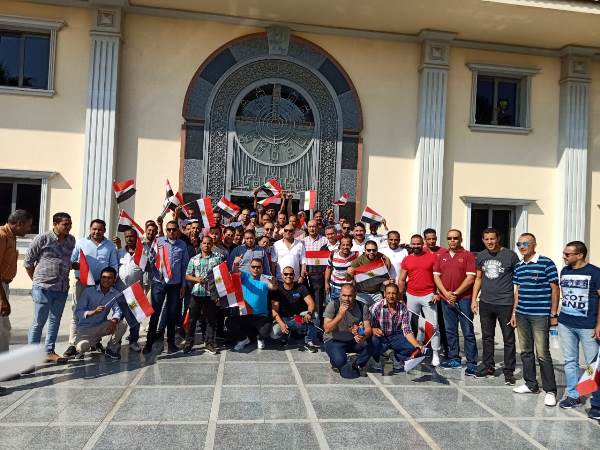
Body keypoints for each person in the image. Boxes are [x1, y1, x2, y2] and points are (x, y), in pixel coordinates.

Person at [511, 233, 559, 407]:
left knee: (542, 353)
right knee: (525, 351)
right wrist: (514, 312)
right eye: (519, 244)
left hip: (540, 315)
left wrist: (553, 314)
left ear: (534, 245)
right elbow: (518, 290)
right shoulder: (519, 266)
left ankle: (550, 390)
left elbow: (555, 289)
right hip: (522, 314)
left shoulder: (546, 263)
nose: (522, 247)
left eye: (525, 243)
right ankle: (531, 384)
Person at [556, 241, 600, 419]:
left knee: (593, 365)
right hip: (566, 323)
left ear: (580, 255)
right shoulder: (565, 271)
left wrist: (598, 324)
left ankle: (597, 403)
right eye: (564, 253)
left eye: (567, 254)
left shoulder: (595, 272)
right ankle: (573, 396)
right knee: (570, 361)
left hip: (588, 326)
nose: (564, 257)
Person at [24, 212, 75, 363]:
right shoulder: (42, 239)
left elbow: (66, 260)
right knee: (39, 322)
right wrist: (37, 281)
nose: (68, 227)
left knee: (55, 321)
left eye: (70, 224)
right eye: (65, 224)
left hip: (62, 288)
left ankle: (49, 352)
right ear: (55, 224)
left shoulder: (71, 240)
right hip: (43, 288)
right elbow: (28, 263)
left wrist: (73, 265)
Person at [472, 228, 520, 385]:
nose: (489, 242)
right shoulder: (481, 256)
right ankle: (488, 366)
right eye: (486, 239)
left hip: (505, 304)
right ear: (483, 240)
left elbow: (519, 282)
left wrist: (515, 307)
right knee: (487, 337)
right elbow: (478, 278)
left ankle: (509, 371)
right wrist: (474, 299)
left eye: (492, 239)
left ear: (498, 238)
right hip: (486, 303)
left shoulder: (511, 256)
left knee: (508, 339)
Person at [65, 219, 119, 357]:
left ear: (104, 230)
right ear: (90, 229)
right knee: (77, 312)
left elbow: (114, 265)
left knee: (100, 313)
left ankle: (95, 341)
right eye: (94, 229)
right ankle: (73, 343)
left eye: (100, 229)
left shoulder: (110, 246)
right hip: (82, 283)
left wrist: (111, 281)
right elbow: (71, 261)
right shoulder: (80, 243)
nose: (97, 232)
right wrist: (76, 265)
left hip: (101, 284)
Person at [433, 229, 478, 374]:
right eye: (450, 238)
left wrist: (456, 293)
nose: (452, 240)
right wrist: (446, 293)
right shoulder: (442, 256)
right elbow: (436, 276)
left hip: (464, 299)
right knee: (450, 331)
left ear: (461, 239)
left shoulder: (468, 255)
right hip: (446, 300)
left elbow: (470, 278)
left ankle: (472, 363)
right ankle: (454, 359)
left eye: (455, 238)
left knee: (468, 332)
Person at [143, 220, 189, 354]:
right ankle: (149, 343)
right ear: (166, 230)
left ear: (178, 230)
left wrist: (183, 285)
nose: (171, 232)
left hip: (175, 284)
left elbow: (184, 266)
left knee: (172, 314)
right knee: (155, 314)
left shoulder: (182, 245)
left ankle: (171, 343)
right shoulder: (159, 242)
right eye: (169, 229)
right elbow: (150, 260)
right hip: (159, 282)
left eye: (174, 229)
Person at [398, 234, 441, 366]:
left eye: (418, 244)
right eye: (414, 244)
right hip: (411, 295)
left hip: (428, 295)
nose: (416, 246)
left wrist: (437, 293)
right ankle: (412, 350)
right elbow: (401, 279)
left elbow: (438, 277)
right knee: (408, 325)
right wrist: (401, 297)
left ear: (423, 244)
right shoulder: (407, 259)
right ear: (411, 244)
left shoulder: (432, 257)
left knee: (433, 325)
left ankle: (435, 352)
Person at [73, 267, 127, 360]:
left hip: (101, 326)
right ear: (100, 278)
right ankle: (82, 349)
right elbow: (78, 312)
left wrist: (114, 321)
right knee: (83, 346)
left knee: (122, 324)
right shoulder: (88, 291)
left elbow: (118, 311)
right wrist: (93, 312)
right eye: (104, 277)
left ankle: (110, 349)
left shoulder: (115, 293)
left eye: (110, 278)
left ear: (114, 280)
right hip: (86, 329)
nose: (106, 280)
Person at [0, 211, 33, 356]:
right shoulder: (2, 236)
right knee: (2, 329)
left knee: (4, 329)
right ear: (19, 223)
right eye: (28, 225)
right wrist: (2, 299)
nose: (29, 229)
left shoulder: (11, 236)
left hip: (4, 286)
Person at [184, 236, 223, 354]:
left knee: (211, 320)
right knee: (192, 319)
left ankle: (209, 343)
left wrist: (219, 294)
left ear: (212, 245)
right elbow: (187, 275)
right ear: (201, 244)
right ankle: (189, 342)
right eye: (204, 243)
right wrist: (196, 279)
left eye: (209, 243)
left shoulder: (217, 259)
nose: (206, 245)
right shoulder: (194, 259)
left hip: (211, 294)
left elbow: (221, 276)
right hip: (197, 293)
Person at [370, 283, 422, 373]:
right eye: (388, 293)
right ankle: (376, 358)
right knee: (373, 342)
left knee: (411, 348)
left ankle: (396, 356)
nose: (391, 296)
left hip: (395, 335)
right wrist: (372, 329)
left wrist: (416, 345)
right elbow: (367, 325)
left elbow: (406, 329)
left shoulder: (403, 308)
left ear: (397, 294)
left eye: (394, 293)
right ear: (384, 294)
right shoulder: (376, 307)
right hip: (380, 336)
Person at [228, 257, 278, 351]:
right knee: (229, 322)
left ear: (262, 268)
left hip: (260, 315)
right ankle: (243, 340)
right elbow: (235, 272)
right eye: (253, 267)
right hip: (245, 313)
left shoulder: (265, 278)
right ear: (249, 267)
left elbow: (272, 287)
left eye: (258, 267)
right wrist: (235, 264)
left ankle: (260, 338)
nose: (256, 269)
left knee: (265, 331)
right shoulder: (244, 275)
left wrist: (273, 284)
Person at [323, 284, 372, 377]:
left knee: (374, 341)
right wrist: (340, 315)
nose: (346, 299)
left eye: (350, 296)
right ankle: (339, 359)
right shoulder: (333, 305)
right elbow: (327, 329)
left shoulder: (362, 306)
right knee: (339, 362)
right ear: (340, 294)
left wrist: (363, 335)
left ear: (355, 295)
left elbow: (368, 329)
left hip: (353, 340)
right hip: (334, 340)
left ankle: (357, 362)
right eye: (344, 295)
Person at [271, 266, 319, 352]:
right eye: (286, 274)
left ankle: (309, 341)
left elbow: (311, 303)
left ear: (294, 275)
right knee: (274, 333)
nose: (288, 276)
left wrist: (309, 313)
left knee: (314, 315)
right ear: (282, 276)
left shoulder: (301, 287)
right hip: (284, 319)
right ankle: (287, 334)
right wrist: (281, 323)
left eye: (291, 274)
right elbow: (274, 311)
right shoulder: (277, 290)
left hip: (298, 317)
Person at [116, 227, 147, 353]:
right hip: (119, 292)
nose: (129, 238)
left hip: (134, 292)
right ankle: (116, 342)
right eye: (127, 236)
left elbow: (146, 270)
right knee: (119, 318)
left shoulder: (142, 253)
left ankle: (133, 341)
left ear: (136, 237)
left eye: (131, 236)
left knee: (135, 318)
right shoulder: (119, 252)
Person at [347, 240, 391, 307]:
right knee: (363, 312)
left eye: (374, 250)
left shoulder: (381, 258)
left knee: (377, 313)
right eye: (368, 250)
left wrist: (385, 279)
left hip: (376, 293)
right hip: (361, 294)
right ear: (365, 250)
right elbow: (348, 279)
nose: (371, 252)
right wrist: (349, 273)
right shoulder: (357, 262)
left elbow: (387, 261)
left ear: (377, 250)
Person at [301, 220, 328, 320]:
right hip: (307, 273)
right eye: (310, 227)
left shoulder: (325, 240)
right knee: (307, 298)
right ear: (307, 228)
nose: (312, 229)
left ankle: (318, 321)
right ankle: (307, 320)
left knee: (318, 299)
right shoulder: (303, 241)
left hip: (319, 273)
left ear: (318, 227)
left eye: (314, 226)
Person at [325, 237, 358, 302]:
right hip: (335, 288)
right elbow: (328, 268)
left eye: (348, 245)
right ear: (340, 246)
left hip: (348, 289)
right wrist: (326, 283)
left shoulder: (355, 255)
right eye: (343, 245)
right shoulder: (333, 254)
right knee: (333, 306)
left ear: (351, 246)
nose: (345, 247)